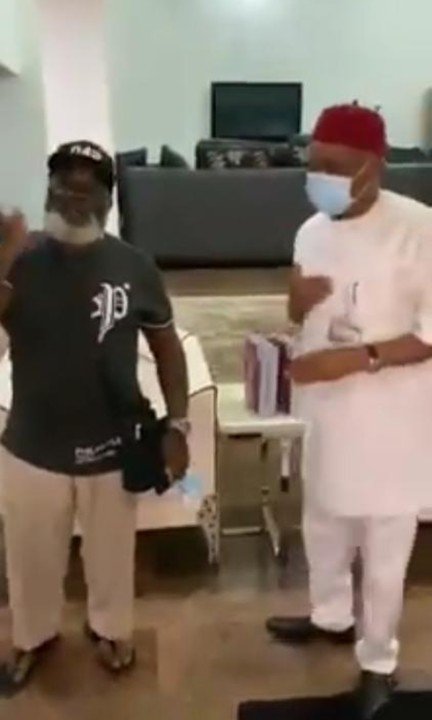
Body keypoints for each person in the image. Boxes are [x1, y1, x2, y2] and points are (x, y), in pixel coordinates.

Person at [0, 141, 190, 696]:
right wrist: (4, 258)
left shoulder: (134, 265)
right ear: (48, 190)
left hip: (113, 443)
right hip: (32, 445)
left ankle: (109, 630)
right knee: (31, 557)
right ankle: (32, 637)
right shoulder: (19, 259)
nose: (74, 196)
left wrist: (178, 426)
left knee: (111, 555)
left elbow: (167, 348)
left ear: (109, 198)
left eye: (89, 187)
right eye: (64, 184)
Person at [265, 104, 432, 719]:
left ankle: (378, 661)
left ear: (374, 167)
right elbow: (301, 312)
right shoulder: (311, 230)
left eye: (336, 167)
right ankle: (330, 616)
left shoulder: (420, 230)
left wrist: (356, 359)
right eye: (314, 164)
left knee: (384, 548)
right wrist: (294, 303)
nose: (321, 178)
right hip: (326, 410)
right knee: (323, 521)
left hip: (393, 417)